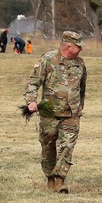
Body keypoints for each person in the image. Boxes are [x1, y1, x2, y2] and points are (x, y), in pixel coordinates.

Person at [23, 31, 87, 193]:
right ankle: (50, 177)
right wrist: (31, 101)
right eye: (78, 46)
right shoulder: (48, 60)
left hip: (71, 115)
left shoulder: (80, 64)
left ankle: (60, 180)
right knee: (48, 146)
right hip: (50, 114)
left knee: (67, 146)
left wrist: (79, 108)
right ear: (68, 46)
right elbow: (33, 82)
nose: (81, 50)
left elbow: (82, 88)